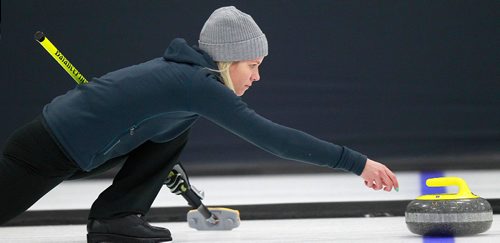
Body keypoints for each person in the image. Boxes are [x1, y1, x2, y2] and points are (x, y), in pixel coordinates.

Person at [0, 6, 399, 243]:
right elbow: (273, 138)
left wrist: (159, 168)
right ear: (227, 60)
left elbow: (148, 131)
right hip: (43, 151)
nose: (257, 77)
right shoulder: (194, 83)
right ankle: (114, 218)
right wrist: (356, 162)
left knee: (173, 133)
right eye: (253, 66)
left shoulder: (188, 85)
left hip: (78, 150)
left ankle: (117, 218)